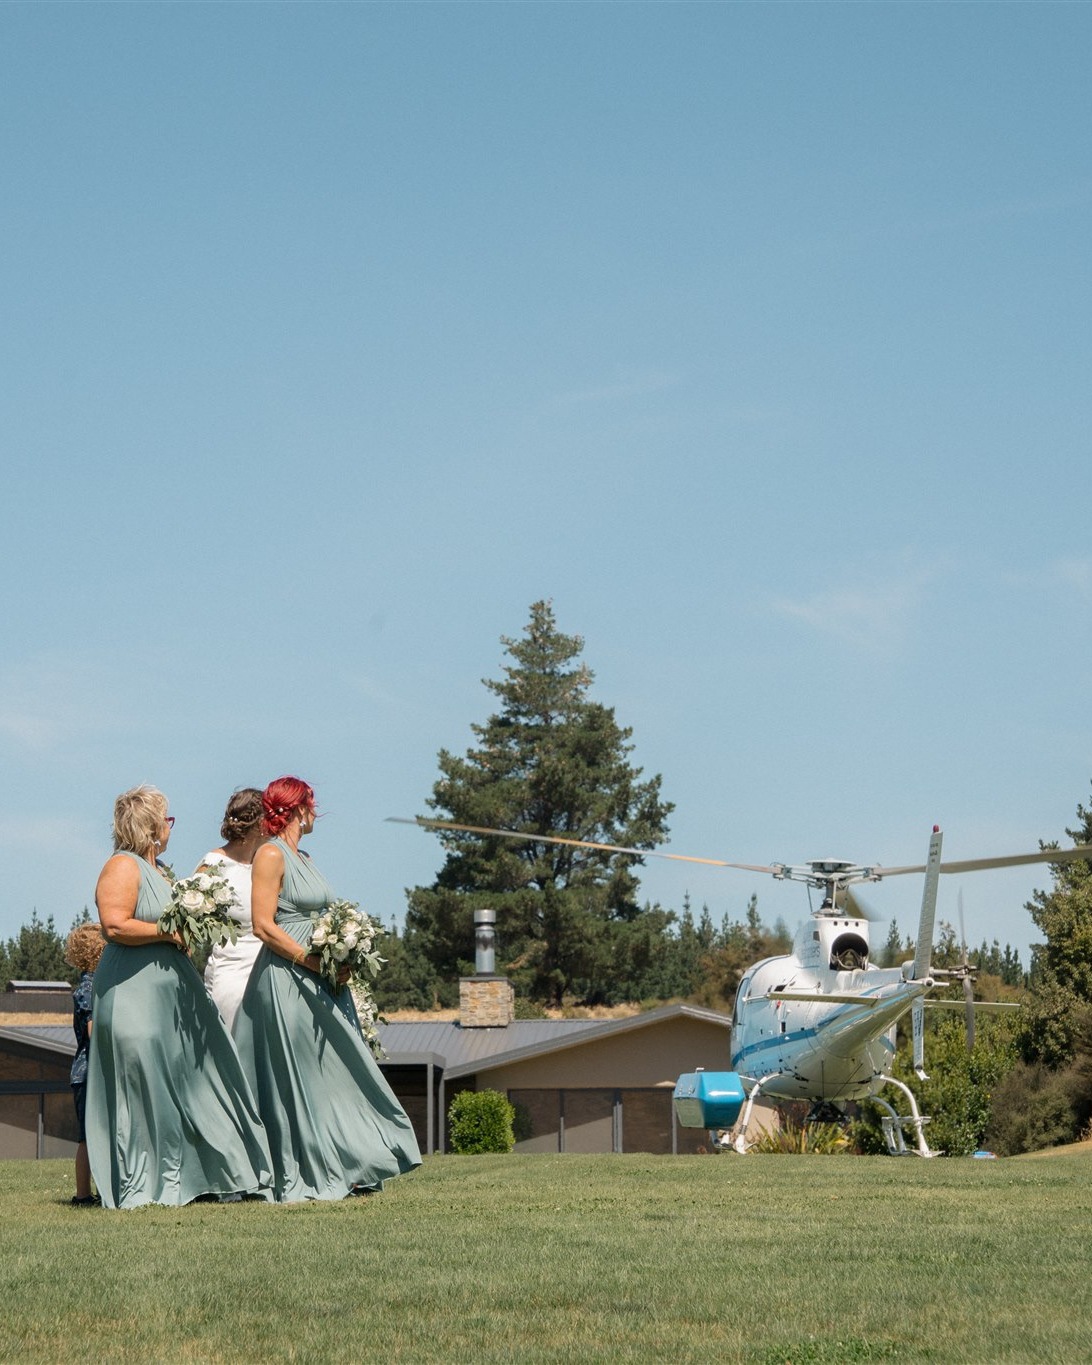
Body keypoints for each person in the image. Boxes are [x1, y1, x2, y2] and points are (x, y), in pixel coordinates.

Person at [85, 785, 274, 1209]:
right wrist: (169, 932)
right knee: (143, 1082)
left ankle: (199, 1175)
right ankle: (144, 1182)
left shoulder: (162, 872)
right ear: (151, 826)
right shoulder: (122, 865)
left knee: (187, 1079)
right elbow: (114, 925)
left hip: (170, 993)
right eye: (166, 820)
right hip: (132, 991)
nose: (171, 827)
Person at [234, 775, 421, 1201]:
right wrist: (310, 961)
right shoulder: (269, 854)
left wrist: (343, 951)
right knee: (303, 1076)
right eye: (311, 802)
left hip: (323, 979)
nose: (316, 810)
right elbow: (263, 925)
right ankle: (304, 1168)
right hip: (286, 979)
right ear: (298, 808)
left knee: (337, 1070)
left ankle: (350, 1160)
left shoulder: (305, 857)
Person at [201, 788, 265, 1031]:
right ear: (259, 824)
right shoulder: (215, 864)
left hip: (268, 971)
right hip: (231, 973)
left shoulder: (268, 864)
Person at [64, 920, 106, 1206]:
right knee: (89, 1137)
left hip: (84, 1072)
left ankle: (91, 1193)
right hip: (90, 1073)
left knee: (90, 1136)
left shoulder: (88, 986)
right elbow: (93, 1031)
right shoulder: (89, 989)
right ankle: (82, 1194)